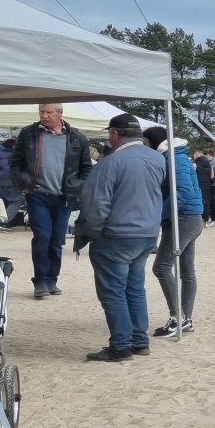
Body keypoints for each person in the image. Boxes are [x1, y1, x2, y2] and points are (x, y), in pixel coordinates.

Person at [78, 113, 167, 361]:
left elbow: (95, 204)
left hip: (117, 234)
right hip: (147, 233)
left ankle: (120, 346)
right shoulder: (157, 158)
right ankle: (139, 341)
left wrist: (92, 233)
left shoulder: (110, 162)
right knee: (135, 288)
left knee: (114, 292)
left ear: (115, 134)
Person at [10, 102, 93, 298]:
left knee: (56, 240)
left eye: (49, 112)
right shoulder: (29, 133)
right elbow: (15, 162)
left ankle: (52, 280)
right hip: (37, 195)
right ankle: (40, 281)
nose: (44, 115)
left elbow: (86, 168)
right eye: (42, 111)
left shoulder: (77, 138)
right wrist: (23, 183)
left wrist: (76, 186)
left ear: (60, 113)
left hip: (64, 197)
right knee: (42, 236)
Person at [142, 126, 204, 338]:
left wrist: (159, 214)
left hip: (183, 218)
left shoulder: (174, 159)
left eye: (145, 142)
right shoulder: (174, 157)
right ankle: (185, 319)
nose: (144, 146)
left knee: (161, 268)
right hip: (189, 218)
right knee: (186, 272)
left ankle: (178, 317)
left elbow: (184, 192)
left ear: (154, 142)